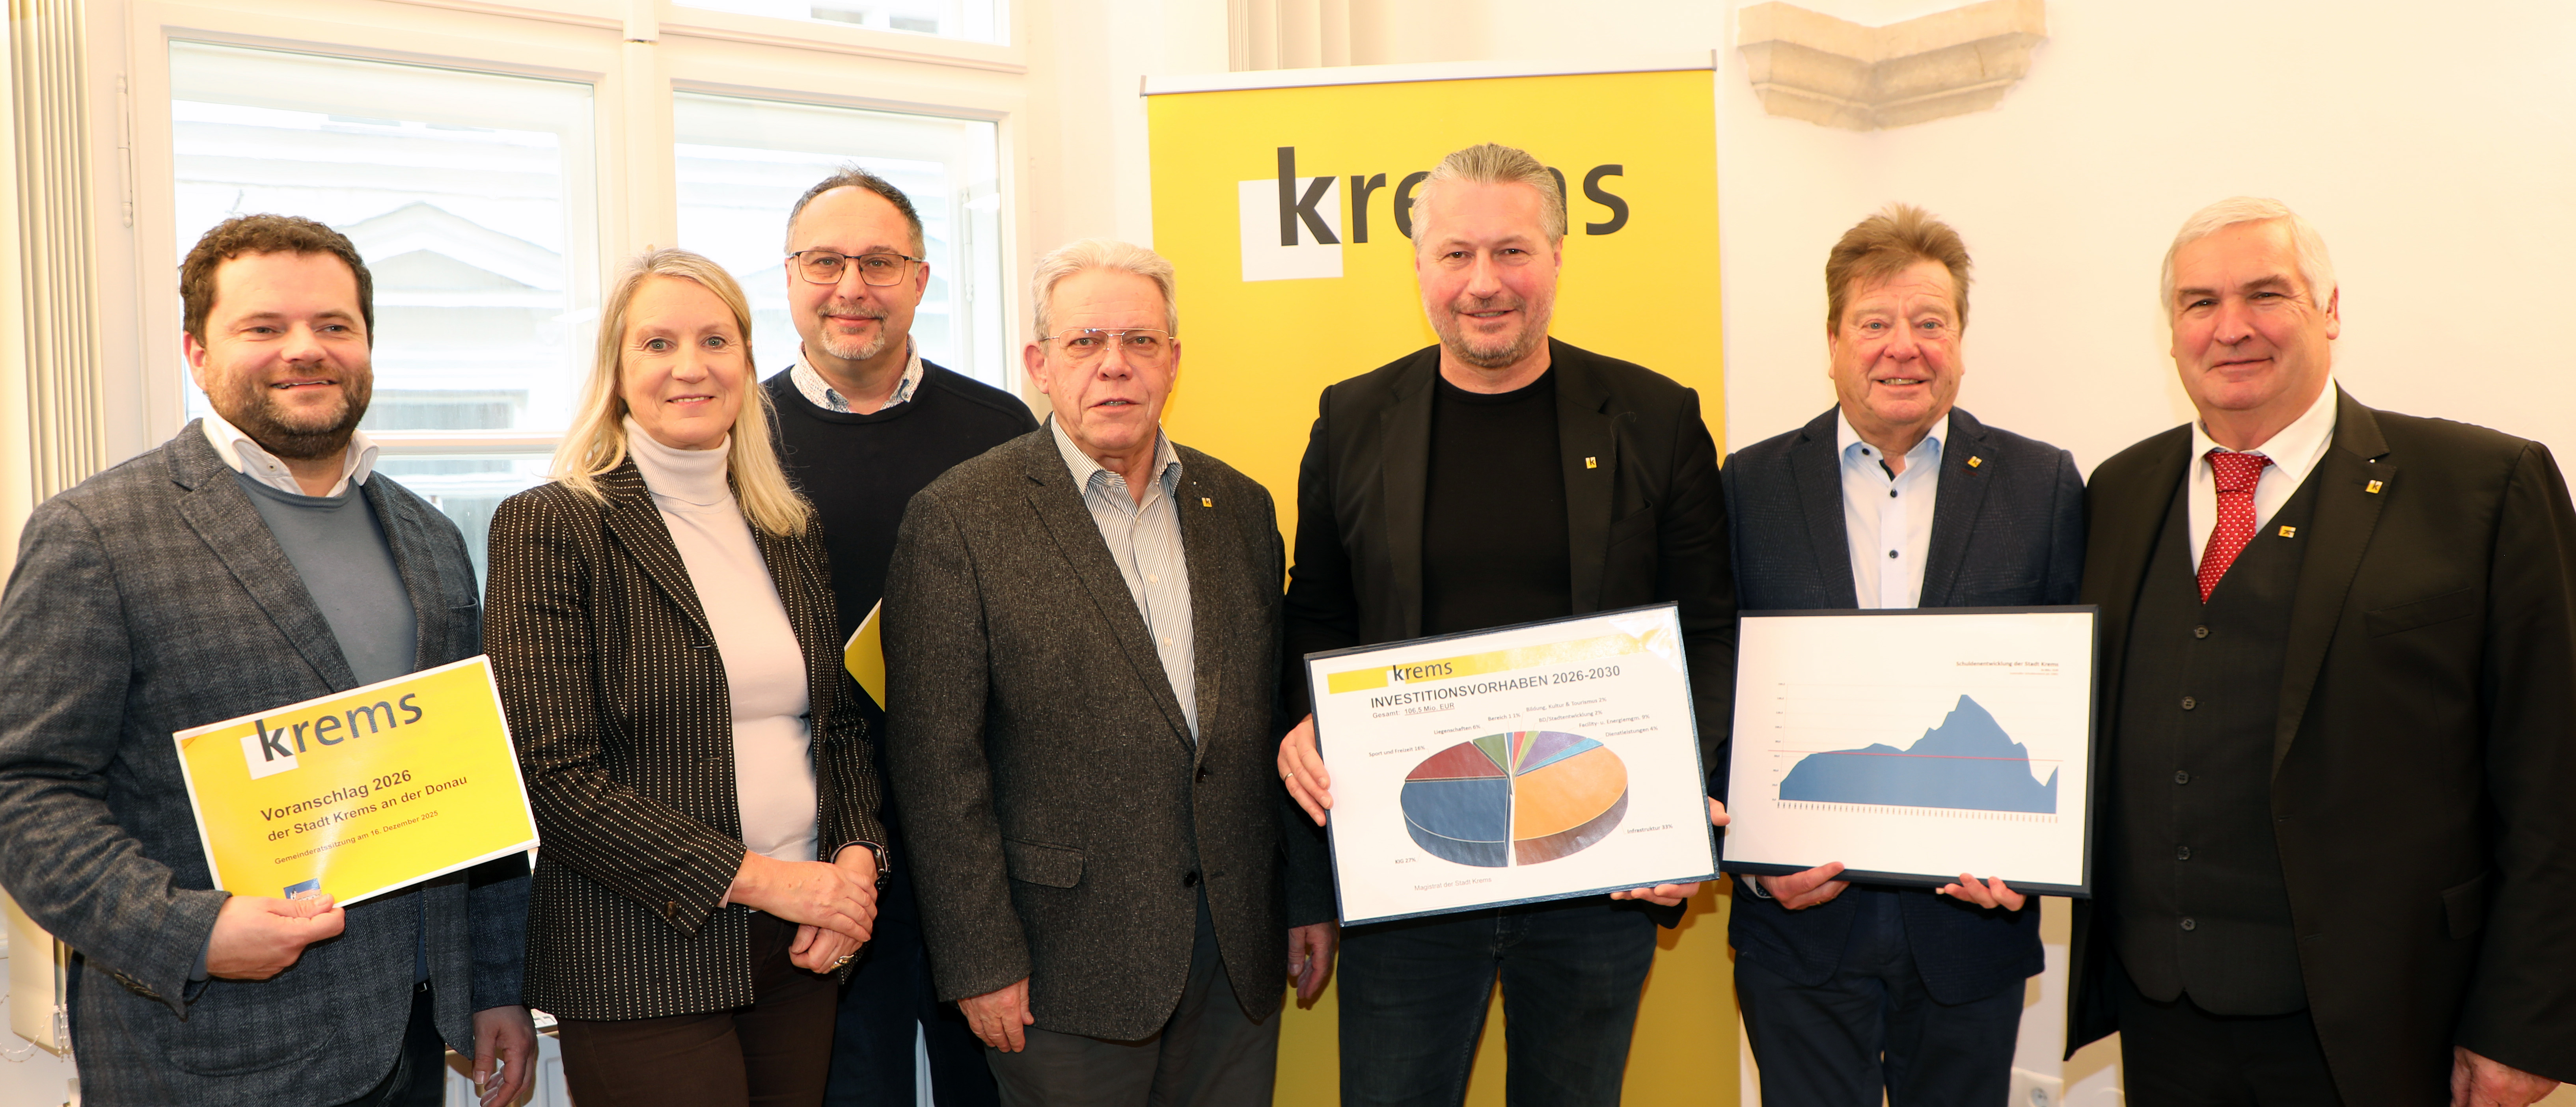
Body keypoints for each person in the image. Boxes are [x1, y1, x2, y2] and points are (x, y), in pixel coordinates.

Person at [0, 214, 535, 1107]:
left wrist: (493, 983)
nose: (305, 349)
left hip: (407, 1041)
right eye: (264, 326)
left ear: (367, 346)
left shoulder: (431, 538)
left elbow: (469, 784)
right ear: (197, 352)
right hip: (208, 1053)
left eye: (334, 325)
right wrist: (190, 932)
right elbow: (24, 790)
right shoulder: (95, 534)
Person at [2067, 197, 2576, 1107]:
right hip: (2162, 1016)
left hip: (2387, 1023)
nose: (2231, 328)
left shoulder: (2483, 490)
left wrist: (2523, 1025)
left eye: (2266, 294)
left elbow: (2556, 776)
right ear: (2172, 330)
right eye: (2199, 303)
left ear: (2330, 311)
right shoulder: (2119, 490)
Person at [1273, 142, 1736, 1107]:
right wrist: (1307, 726)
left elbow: (1708, 633)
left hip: (1597, 866)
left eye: (1512, 252)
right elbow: (1316, 615)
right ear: (1420, 266)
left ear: (1558, 257)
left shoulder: (1655, 418)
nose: (1484, 283)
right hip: (1408, 869)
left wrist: (1680, 807)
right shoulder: (1352, 420)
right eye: (1457, 254)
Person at [880, 239, 1334, 1106]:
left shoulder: (1240, 507)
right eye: (1085, 342)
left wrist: (1305, 896)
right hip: (1060, 967)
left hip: (1234, 954)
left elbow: (1275, 721)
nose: (1115, 365)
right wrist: (980, 960)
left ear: (1174, 360)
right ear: (1040, 365)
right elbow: (937, 768)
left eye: (1140, 341)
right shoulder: (959, 519)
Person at [486, 248, 888, 1107]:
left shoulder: (787, 527)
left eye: (715, 341)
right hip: (640, 957)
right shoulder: (551, 527)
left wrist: (854, 869)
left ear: (746, 362)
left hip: (801, 951)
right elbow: (554, 780)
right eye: (658, 344)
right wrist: (780, 882)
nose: (691, 367)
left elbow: (839, 727)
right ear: (617, 369)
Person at [1721, 204, 2082, 1106]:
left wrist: (2037, 857)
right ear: (1832, 342)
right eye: (1875, 323)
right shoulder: (1748, 487)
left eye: (1930, 322)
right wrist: (1756, 864)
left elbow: (2078, 701)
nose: (1904, 348)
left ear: (1960, 340)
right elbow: (1717, 678)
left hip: (1971, 932)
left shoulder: (2041, 485)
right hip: (1798, 932)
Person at [764, 166, 1037, 1107]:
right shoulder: (738, 436)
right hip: (816, 852)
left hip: (979, 844)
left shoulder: (1000, 429)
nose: (852, 287)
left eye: (879, 263)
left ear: (920, 280)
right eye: (825, 262)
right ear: (790, 278)